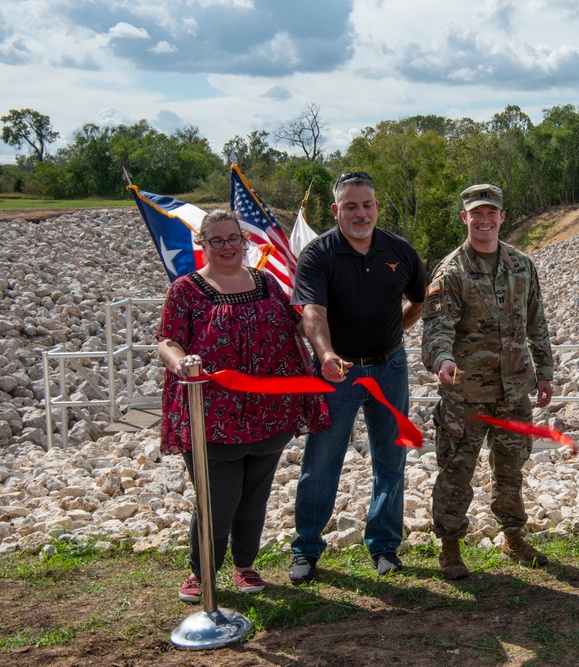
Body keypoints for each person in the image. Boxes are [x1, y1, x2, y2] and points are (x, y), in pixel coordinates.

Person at [157, 209, 329, 603]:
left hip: (272, 415)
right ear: (203, 244)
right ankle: (201, 573)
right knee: (216, 503)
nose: (227, 246)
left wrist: (327, 340)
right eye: (217, 240)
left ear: (244, 240)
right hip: (213, 418)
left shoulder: (267, 282)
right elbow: (167, 339)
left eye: (233, 238)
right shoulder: (186, 289)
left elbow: (297, 321)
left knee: (254, 500)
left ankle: (245, 565)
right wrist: (180, 362)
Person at [289, 171, 428, 582]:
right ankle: (307, 549)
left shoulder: (399, 250)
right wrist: (327, 353)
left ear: (376, 207)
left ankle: (385, 547)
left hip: (390, 368)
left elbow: (419, 300)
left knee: (391, 459)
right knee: (321, 461)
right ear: (336, 211)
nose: (360, 213)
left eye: (366, 204)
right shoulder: (318, 254)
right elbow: (313, 313)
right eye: (350, 206)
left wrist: (392, 333)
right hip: (338, 372)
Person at [422, 184, 555, 579]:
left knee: (512, 469)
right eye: (475, 214)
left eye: (490, 213)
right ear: (464, 218)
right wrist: (443, 360)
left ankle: (513, 539)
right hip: (466, 395)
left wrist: (544, 373)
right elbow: (436, 329)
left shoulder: (521, 265)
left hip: (514, 391)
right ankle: (449, 548)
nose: (484, 220)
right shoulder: (451, 272)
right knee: (456, 472)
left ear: (502, 217)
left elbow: (537, 323)